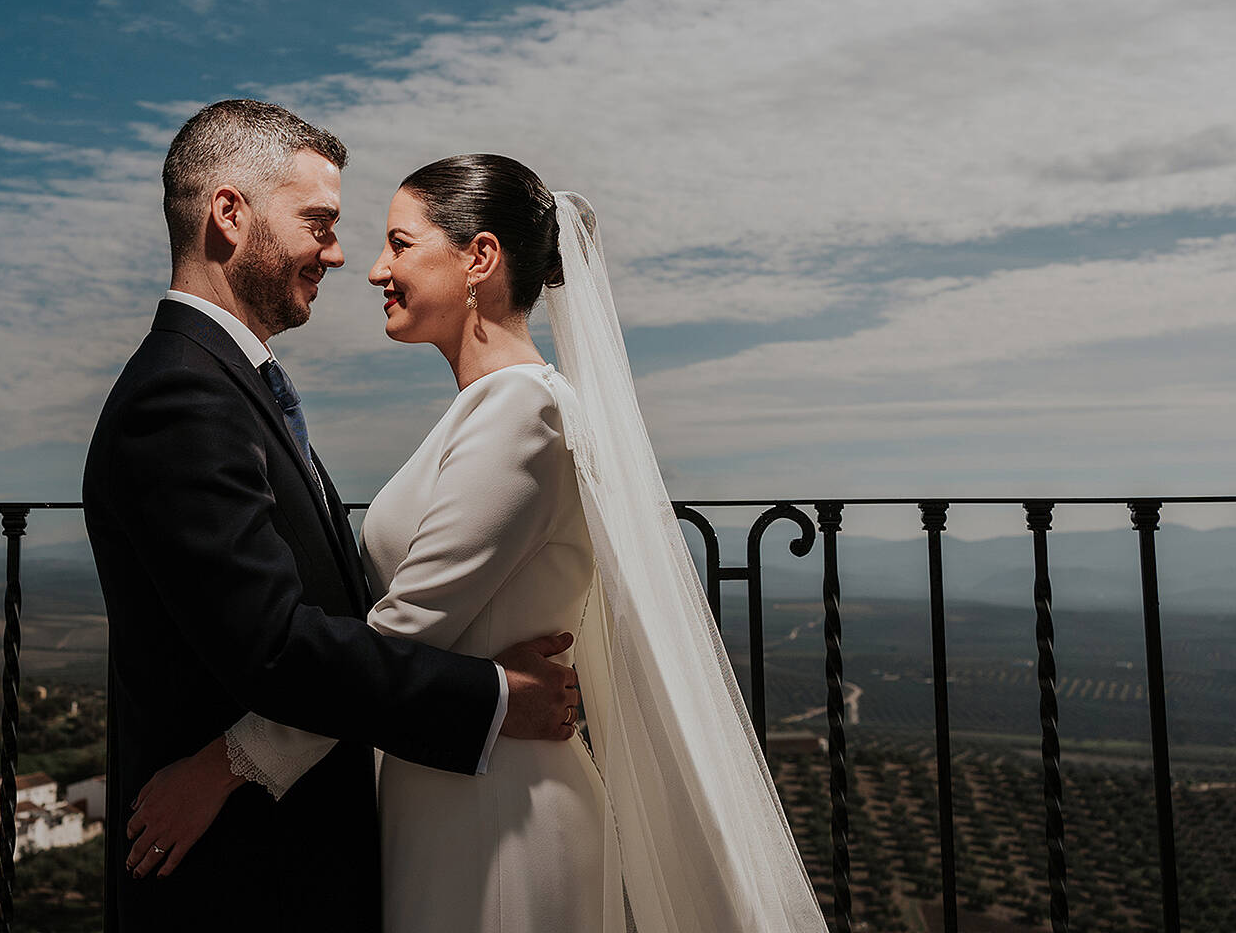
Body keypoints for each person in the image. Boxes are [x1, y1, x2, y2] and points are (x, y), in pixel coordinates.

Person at [125, 153, 829, 932]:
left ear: (479, 259)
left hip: (497, 812)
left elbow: (402, 627)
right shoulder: (483, 412)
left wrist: (227, 766)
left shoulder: (521, 413)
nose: (372, 269)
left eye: (399, 243)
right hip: (449, 788)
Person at [83, 104, 584, 933]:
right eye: (319, 222)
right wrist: (495, 695)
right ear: (230, 213)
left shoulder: (224, 386)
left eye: (386, 239)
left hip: (334, 849)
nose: (343, 255)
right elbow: (280, 648)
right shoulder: (184, 396)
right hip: (247, 881)